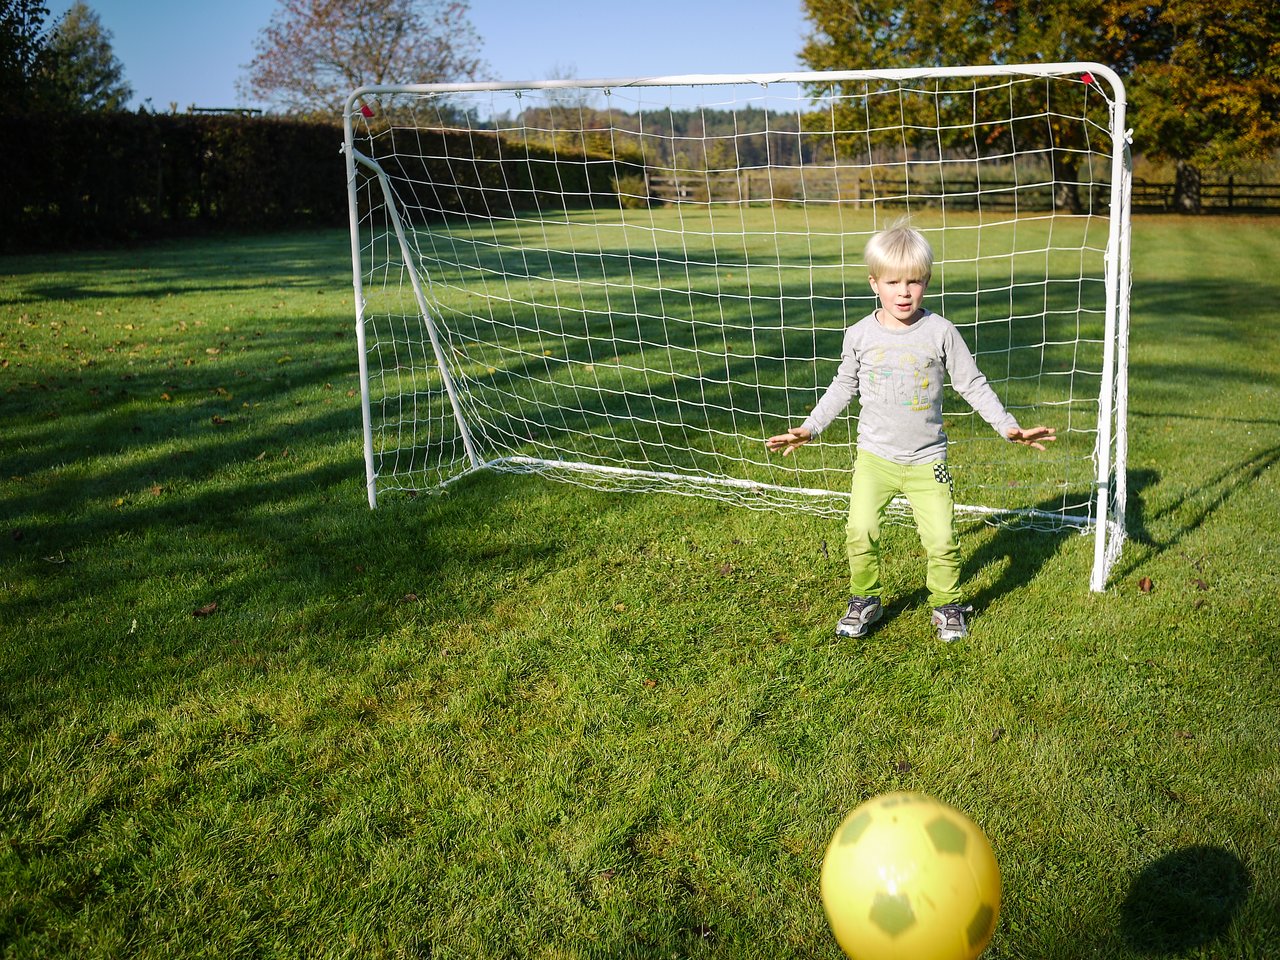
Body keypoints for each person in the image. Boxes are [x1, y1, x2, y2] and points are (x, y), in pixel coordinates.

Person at [766, 222, 1055, 642]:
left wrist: (1008, 426)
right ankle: (865, 598)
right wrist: (811, 427)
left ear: (927, 282)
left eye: (914, 281)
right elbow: (843, 385)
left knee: (941, 538)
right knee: (860, 530)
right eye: (893, 281)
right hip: (875, 459)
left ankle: (948, 604)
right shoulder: (860, 335)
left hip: (927, 461)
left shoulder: (941, 333)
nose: (904, 291)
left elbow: (971, 383)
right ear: (874, 283)